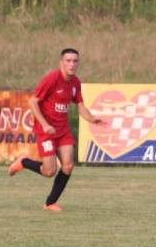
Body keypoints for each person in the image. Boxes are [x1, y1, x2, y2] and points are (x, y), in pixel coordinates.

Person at [8, 48, 105, 211]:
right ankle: (24, 162)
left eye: (75, 61)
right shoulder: (52, 78)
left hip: (63, 131)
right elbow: (32, 102)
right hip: (46, 132)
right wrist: (45, 124)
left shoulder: (75, 82)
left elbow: (80, 107)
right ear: (61, 62)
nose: (72, 64)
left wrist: (93, 119)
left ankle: (50, 203)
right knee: (49, 171)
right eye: (68, 61)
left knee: (68, 165)